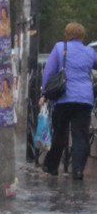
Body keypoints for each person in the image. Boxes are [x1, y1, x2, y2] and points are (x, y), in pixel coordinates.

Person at [41, 22, 97, 179]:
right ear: (82, 35)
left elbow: (49, 72)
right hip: (85, 100)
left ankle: (51, 167)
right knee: (81, 136)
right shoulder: (90, 52)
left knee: (60, 134)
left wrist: (44, 93)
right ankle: (78, 171)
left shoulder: (60, 48)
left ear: (67, 34)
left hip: (63, 98)